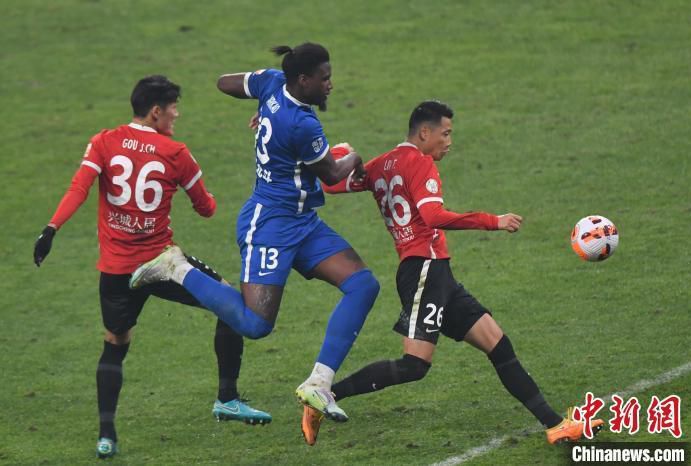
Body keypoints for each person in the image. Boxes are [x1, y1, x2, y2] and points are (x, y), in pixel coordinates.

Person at [302, 100, 604, 446]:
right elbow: (432, 216)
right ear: (425, 132)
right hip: (423, 271)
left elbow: (333, 184)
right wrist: (493, 221)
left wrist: (340, 154)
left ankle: (555, 425)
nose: (449, 141)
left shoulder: (382, 163)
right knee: (415, 365)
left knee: (498, 345)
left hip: (436, 273)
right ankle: (324, 397)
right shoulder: (420, 163)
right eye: (445, 134)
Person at [129, 43, 380, 423]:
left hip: (302, 221)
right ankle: (176, 267)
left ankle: (319, 383)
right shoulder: (303, 124)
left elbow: (223, 82)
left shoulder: (271, 82)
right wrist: (356, 158)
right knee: (255, 324)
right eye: (324, 78)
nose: (330, 84)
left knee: (363, 285)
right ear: (303, 79)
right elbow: (331, 173)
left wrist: (263, 106)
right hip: (271, 226)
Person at [32, 75, 271, 459]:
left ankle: (106, 436)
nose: (177, 114)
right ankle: (227, 398)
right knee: (231, 305)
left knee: (115, 344)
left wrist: (51, 229)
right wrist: (203, 195)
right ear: (156, 111)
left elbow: (79, 187)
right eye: (174, 107)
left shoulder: (104, 141)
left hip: (116, 270)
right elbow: (207, 209)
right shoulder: (175, 153)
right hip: (161, 263)